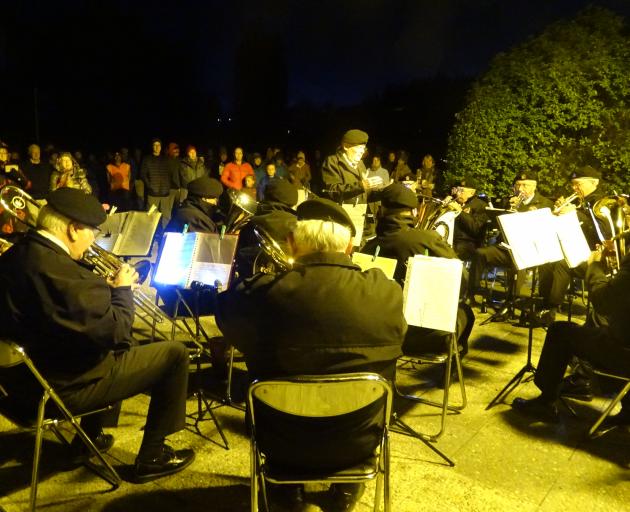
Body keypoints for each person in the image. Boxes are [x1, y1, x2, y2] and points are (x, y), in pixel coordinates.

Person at [216, 197, 406, 511]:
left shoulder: (262, 294)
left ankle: (287, 492)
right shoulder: (385, 293)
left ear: (290, 245)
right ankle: (346, 489)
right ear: (349, 249)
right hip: (358, 442)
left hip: (279, 442)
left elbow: (225, 317)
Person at [0, 187, 194, 482]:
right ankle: (152, 456)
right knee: (174, 353)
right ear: (74, 229)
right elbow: (116, 333)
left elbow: (62, 314)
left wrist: (101, 292)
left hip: (18, 386)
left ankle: (85, 441)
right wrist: (122, 291)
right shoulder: (68, 277)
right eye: (93, 231)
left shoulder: (16, 255)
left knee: (101, 347)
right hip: (59, 391)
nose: (95, 240)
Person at [512, 249, 630, 431]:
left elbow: (604, 301)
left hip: (624, 352)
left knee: (560, 332)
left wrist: (595, 266)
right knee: (596, 322)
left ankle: (545, 402)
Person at [363, 183, 475, 355]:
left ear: (381, 211)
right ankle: (452, 364)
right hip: (425, 338)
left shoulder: (369, 248)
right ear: (414, 212)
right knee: (466, 312)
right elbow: (461, 279)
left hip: (377, 336)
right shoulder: (428, 239)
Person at [536, 165, 611, 325]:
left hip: (596, 257)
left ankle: (550, 309)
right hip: (577, 249)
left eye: (578, 184)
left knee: (562, 264)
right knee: (548, 257)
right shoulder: (580, 201)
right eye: (573, 184)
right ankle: (544, 302)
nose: (574, 188)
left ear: (594, 183)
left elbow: (604, 231)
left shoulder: (602, 203)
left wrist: (575, 214)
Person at [468, 170, 553, 304]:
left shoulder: (544, 203)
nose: (520, 189)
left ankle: (513, 298)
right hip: (506, 246)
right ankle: (472, 293)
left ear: (534, 186)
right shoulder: (507, 200)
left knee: (518, 262)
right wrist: (509, 209)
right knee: (480, 253)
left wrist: (521, 211)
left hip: (529, 248)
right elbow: (497, 223)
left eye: (524, 185)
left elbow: (543, 228)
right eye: (517, 185)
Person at [315, 129, 382, 205]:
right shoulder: (332, 162)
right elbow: (332, 191)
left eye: (364, 148)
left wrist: (385, 192)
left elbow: (363, 194)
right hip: (340, 213)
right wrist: (361, 186)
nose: (362, 151)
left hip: (360, 212)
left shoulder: (361, 164)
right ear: (346, 146)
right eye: (359, 147)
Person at [449, 176, 489, 261]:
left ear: (472, 193)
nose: (458, 194)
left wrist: (460, 212)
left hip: (468, 242)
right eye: (457, 190)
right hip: (451, 238)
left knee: (455, 250)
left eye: (462, 191)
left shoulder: (480, 205)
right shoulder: (454, 202)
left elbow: (476, 229)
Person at [140, 138, 173, 228]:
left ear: (161, 147)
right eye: (155, 145)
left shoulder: (166, 159)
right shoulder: (147, 159)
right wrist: (149, 186)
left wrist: (167, 186)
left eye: (159, 145)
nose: (157, 147)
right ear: (152, 146)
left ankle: (164, 235)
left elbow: (170, 173)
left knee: (166, 217)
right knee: (151, 216)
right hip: (152, 194)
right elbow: (143, 174)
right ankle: (150, 235)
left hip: (165, 194)